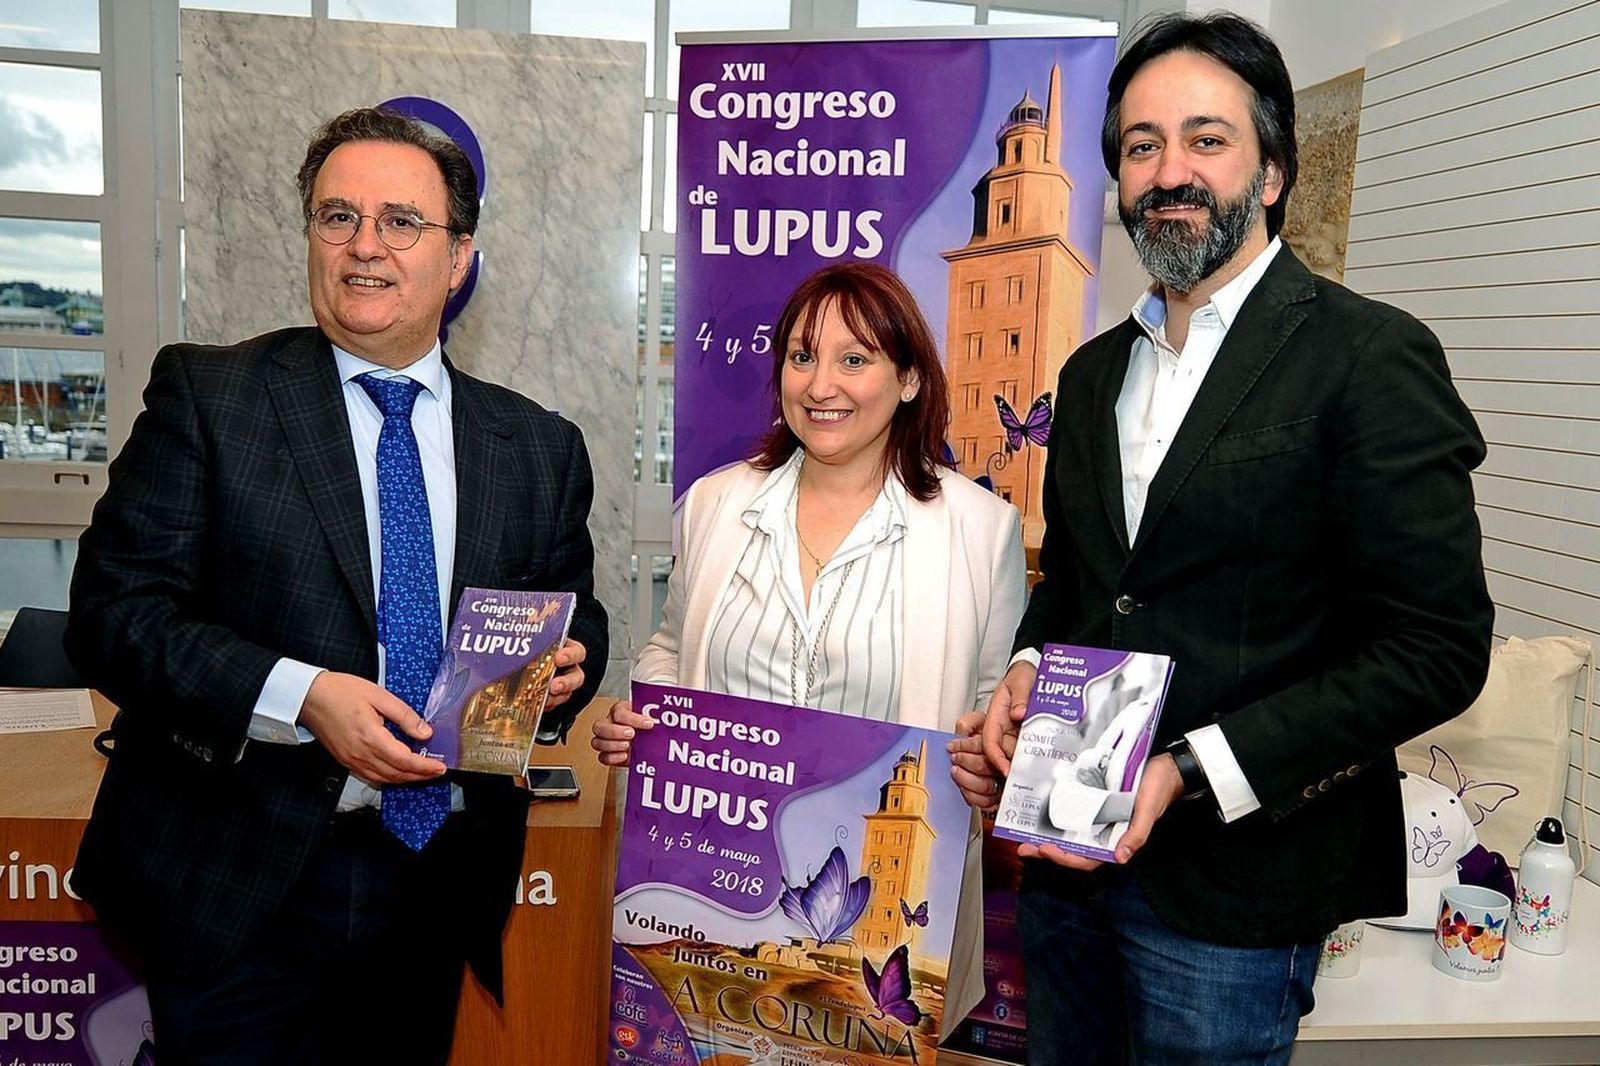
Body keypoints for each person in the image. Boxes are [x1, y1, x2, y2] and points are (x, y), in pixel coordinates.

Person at [975, 14, 1493, 1065]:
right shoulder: (1085, 378)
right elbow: (1081, 577)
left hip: (1236, 897)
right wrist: (1026, 668)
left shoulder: (1368, 357)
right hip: (1067, 857)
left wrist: (1189, 769)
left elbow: (1435, 648)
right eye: (1140, 145)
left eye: (1205, 140)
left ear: (1269, 174)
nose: (1169, 172)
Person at [65, 107, 607, 1065]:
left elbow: (576, 609)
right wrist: (302, 696)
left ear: (459, 258)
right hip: (237, 882)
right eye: (336, 217)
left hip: (431, 883)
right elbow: (116, 619)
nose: (366, 247)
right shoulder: (210, 395)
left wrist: (569, 665)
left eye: (402, 222)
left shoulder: (538, 448)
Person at [591, 260, 1027, 1014]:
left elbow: (993, 707)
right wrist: (647, 722)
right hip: (714, 888)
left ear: (910, 379)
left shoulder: (980, 531)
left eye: (854, 360)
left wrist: (990, 765)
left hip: (886, 924)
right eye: (802, 356)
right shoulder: (714, 505)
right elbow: (670, 648)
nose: (820, 385)